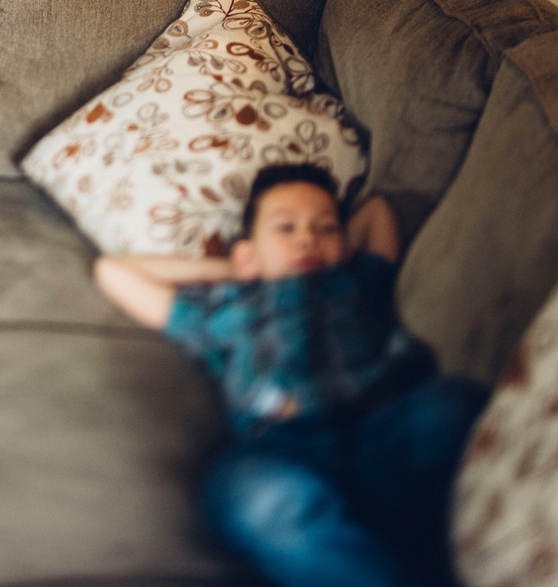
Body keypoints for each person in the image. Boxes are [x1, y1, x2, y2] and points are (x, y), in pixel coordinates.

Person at [94, 163, 487, 587]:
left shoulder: (356, 280)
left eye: (325, 228)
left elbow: (376, 212)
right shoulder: (227, 307)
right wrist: (239, 269)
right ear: (246, 253)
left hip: (382, 426)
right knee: (248, 495)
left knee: (451, 405)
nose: (307, 238)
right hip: (287, 448)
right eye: (286, 228)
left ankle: (424, 547)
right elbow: (113, 271)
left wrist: (325, 255)